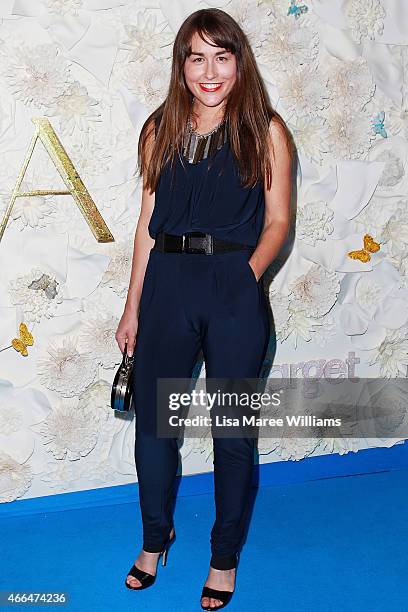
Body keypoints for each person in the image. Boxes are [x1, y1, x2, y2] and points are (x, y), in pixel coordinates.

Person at [115, 7, 293, 610]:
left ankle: (224, 557)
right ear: (182, 65)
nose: (209, 71)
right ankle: (153, 540)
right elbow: (145, 225)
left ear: (239, 62)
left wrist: (243, 277)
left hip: (232, 290)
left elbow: (278, 222)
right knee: (156, 427)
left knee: (233, 434)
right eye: (197, 57)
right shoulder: (157, 129)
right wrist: (132, 306)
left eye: (222, 56)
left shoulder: (265, 130)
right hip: (167, 286)